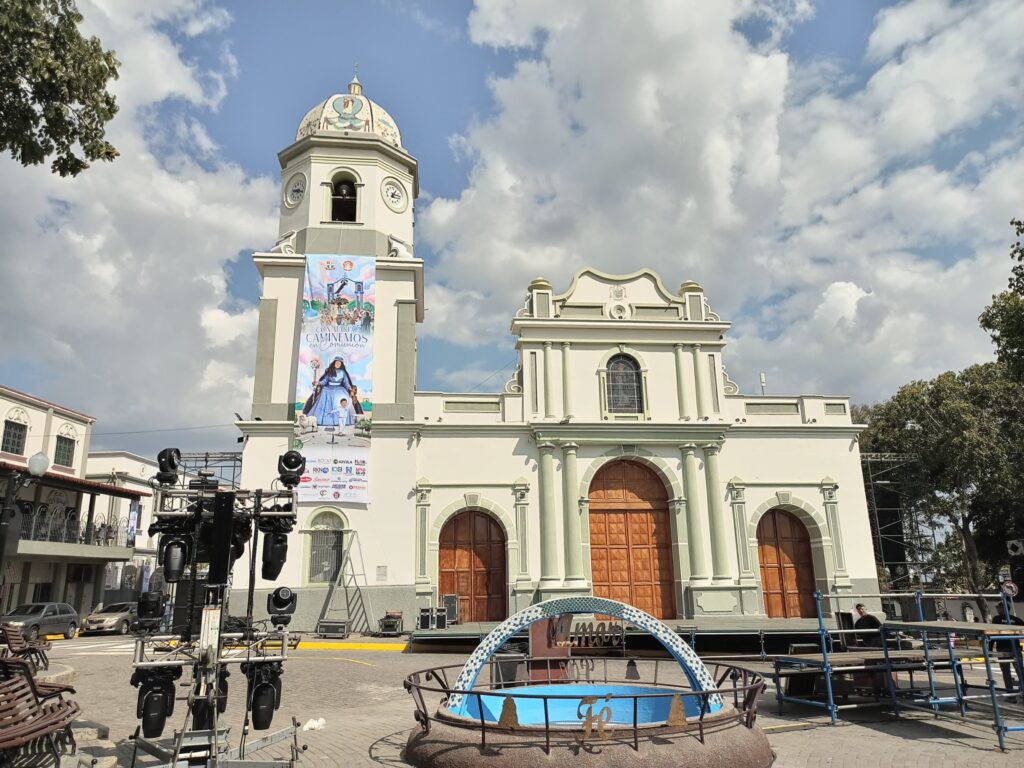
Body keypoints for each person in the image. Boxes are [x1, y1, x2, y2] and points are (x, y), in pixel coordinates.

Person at [307, 357, 354, 427]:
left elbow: (346, 382)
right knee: (324, 392)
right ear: (333, 363)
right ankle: (323, 420)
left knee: (341, 394)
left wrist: (349, 387)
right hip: (328, 388)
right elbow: (325, 380)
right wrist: (318, 383)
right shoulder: (329, 371)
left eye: (339, 363)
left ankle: (340, 421)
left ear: (341, 364)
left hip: (339, 388)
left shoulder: (343, 372)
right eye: (336, 363)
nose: (337, 364)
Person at [992, 604, 1024, 691]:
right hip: (1014, 648)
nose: (997, 609)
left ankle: (1010, 693)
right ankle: (1017, 691)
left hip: (1004, 649)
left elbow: (992, 633)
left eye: (998, 607)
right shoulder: (1016, 619)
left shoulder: (997, 619)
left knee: (1007, 672)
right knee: (1020, 671)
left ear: (1003, 608)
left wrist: (989, 649)